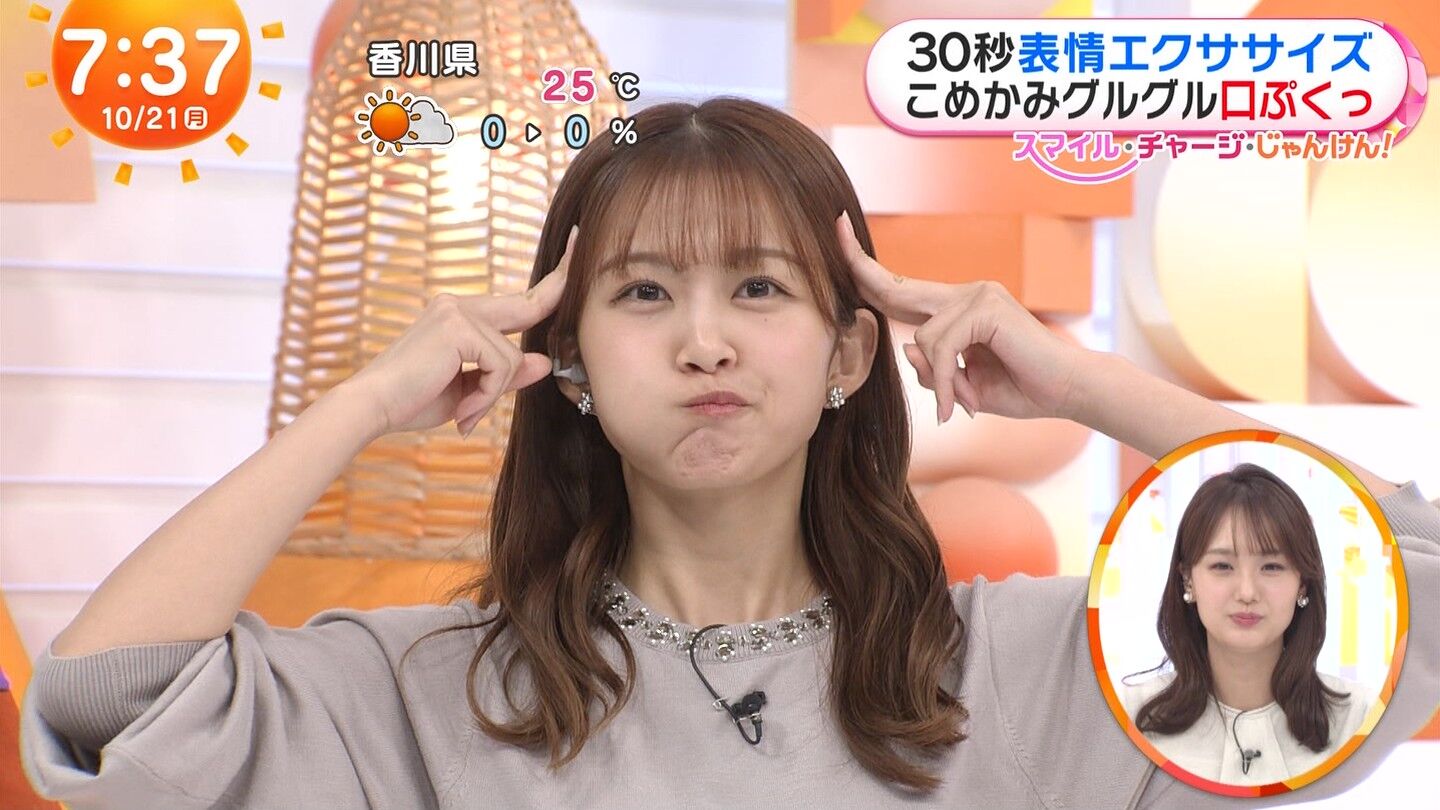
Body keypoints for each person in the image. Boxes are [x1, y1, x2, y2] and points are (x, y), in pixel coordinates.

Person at [18, 97, 1440, 809]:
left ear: (848, 354)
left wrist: (1084, 382)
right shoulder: (430, 691)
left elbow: (1413, 577)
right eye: (644, 293)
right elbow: (105, 703)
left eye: (758, 287)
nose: (704, 342)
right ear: (571, 361)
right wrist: (367, 401)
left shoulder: (1027, 672)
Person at [1118, 464, 1372, 785]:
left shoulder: (1360, 718)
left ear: (1303, 584)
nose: (1247, 592)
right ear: (1188, 579)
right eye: (1223, 566)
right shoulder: (1130, 716)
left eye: (1271, 567)